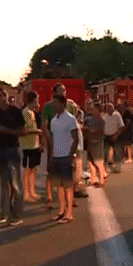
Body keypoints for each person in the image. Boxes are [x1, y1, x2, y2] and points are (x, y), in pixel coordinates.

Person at [41, 83, 85, 207]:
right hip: (54, 141)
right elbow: (44, 125)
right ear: (54, 93)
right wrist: (50, 140)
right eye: (60, 91)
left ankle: (70, 197)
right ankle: (49, 196)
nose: (63, 93)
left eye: (64, 90)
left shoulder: (70, 106)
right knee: (52, 170)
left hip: (67, 143)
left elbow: (73, 125)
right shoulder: (48, 106)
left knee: (69, 170)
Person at [0, 87, 26, 226]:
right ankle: (4, 213)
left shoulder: (15, 111)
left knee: (16, 184)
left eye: (3, 95)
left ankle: (17, 214)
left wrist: (6, 130)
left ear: (7, 96)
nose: (2, 97)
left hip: (12, 149)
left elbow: (22, 131)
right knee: (3, 184)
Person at [48, 94, 80, 224]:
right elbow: (53, 140)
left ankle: (69, 213)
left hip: (66, 156)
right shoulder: (54, 120)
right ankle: (61, 211)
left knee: (68, 186)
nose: (54, 105)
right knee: (59, 186)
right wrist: (51, 156)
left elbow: (75, 139)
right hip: (56, 156)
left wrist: (70, 155)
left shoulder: (70, 119)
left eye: (56, 103)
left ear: (63, 104)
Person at [20, 90, 43, 202]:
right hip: (28, 146)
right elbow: (27, 130)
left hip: (34, 145)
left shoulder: (32, 112)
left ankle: (32, 192)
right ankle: (26, 194)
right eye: (36, 101)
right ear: (32, 101)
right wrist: (38, 131)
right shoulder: (26, 113)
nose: (37, 104)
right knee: (28, 170)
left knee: (33, 169)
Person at [84, 102, 107, 187]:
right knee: (91, 161)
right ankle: (93, 178)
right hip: (90, 142)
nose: (92, 110)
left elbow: (101, 131)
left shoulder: (101, 119)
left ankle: (101, 179)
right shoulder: (90, 118)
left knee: (98, 161)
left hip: (97, 142)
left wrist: (90, 130)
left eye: (94, 108)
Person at [103, 103, 125, 174]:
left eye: (110, 108)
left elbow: (121, 126)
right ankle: (105, 168)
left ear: (113, 108)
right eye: (108, 108)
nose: (109, 109)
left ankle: (118, 167)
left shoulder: (117, 115)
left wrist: (116, 135)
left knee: (117, 152)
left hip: (115, 135)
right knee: (105, 153)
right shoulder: (104, 116)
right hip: (107, 136)